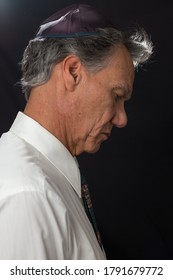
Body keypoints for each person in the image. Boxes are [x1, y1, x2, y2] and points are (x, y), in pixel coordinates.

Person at [0, 3, 153, 259]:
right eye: (116, 95)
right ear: (73, 72)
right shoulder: (28, 193)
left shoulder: (42, 178)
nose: (122, 119)